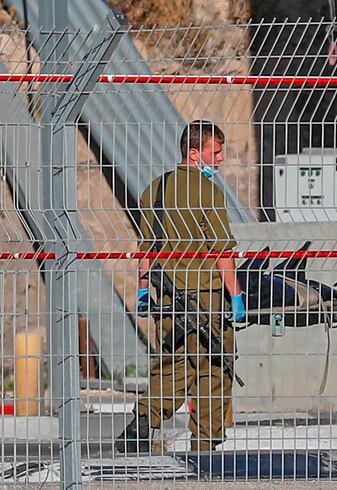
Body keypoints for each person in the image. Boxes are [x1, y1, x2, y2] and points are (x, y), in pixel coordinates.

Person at [115, 120, 247, 453]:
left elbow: (147, 248)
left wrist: (143, 290)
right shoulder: (208, 192)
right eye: (214, 153)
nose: (219, 160)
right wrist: (237, 297)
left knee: (173, 365)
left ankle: (143, 422)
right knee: (214, 369)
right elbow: (222, 250)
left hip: (169, 298)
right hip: (206, 298)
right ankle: (205, 445)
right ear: (193, 152)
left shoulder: (154, 189)